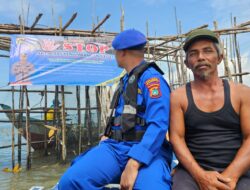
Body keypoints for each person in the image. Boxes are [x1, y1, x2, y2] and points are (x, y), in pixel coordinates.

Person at [57, 29, 172, 190]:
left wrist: (134, 162)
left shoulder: (152, 80)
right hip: (116, 147)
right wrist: (108, 134)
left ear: (123, 52)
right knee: (70, 182)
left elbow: (159, 125)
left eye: (116, 52)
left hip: (147, 149)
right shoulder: (125, 80)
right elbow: (121, 117)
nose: (115, 56)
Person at [170, 28, 250, 190]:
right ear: (186, 63)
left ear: (220, 58)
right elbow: (177, 139)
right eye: (193, 53)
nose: (201, 57)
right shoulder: (178, 97)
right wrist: (201, 176)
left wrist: (230, 176)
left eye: (207, 51)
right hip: (192, 171)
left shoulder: (242, 93)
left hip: (238, 168)